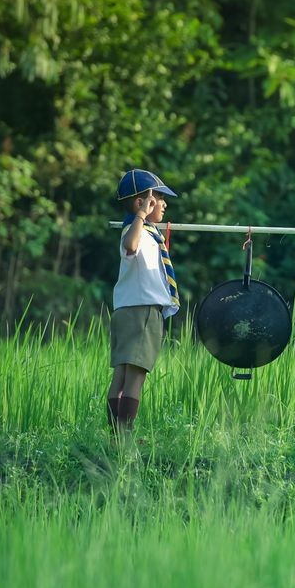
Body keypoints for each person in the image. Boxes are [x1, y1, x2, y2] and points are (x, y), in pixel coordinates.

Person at [108, 168, 180, 436]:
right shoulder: (135, 229)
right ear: (142, 202)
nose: (164, 204)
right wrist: (140, 216)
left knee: (122, 376)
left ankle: (116, 436)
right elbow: (130, 245)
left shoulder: (149, 232)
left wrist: (142, 219)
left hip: (129, 308)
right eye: (158, 198)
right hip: (142, 312)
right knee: (134, 376)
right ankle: (124, 437)